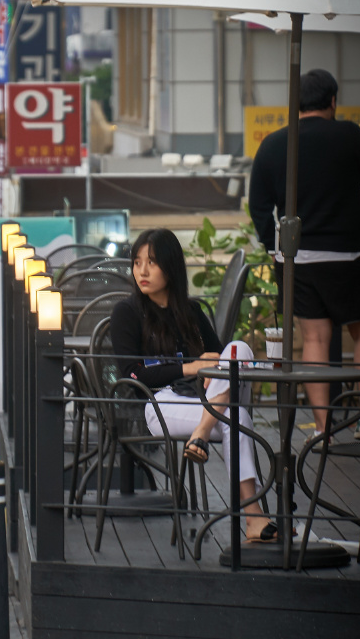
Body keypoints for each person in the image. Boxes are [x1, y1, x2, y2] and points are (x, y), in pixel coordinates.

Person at [248, 68, 360, 441]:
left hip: (298, 259)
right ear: (333, 101)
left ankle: (323, 428)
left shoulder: (274, 144)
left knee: (314, 339)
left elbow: (258, 205)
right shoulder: (348, 135)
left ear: (295, 104)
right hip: (347, 255)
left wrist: (276, 249)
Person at [110, 228, 275, 542]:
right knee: (236, 417)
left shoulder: (192, 313)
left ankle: (202, 434)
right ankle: (254, 516)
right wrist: (193, 366)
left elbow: (225, 362)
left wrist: (211, 367)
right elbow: (133, 375)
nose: (142, 271)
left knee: (238, 350)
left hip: (203, 403)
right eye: (137, 262)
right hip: (161, 404)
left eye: (152, 262)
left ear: (171, 267)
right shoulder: (127, 312)